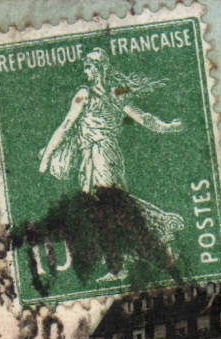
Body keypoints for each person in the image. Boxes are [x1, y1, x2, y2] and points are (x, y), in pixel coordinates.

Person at [38, 48, 186, 249]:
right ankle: (129, 255)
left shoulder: (86, 94)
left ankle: (161, 224)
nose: (86, 72)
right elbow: (144, 118)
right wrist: (166, 127)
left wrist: (47, 157)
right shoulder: (117, 92)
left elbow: (66, 125)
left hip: (102, 156)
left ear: (99, 69)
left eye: (88, 68)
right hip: (95, 157)